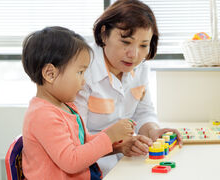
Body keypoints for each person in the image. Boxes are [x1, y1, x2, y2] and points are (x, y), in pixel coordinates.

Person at [74, 0, 182, 176]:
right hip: (92, 166)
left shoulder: (140, 67)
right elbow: (77, 141)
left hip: (127, 161)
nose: (134, 55)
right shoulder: (82, 70)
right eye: (126, 41)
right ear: (104, 34)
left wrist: (153, 132)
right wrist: (118, 146)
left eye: (143, 45)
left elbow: (143, 112)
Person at [21, 26, 135, 180]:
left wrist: (117, 145)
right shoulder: (42, 115)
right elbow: (72, 161)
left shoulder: (66, 107)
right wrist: (109, 136)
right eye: (80, 72)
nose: (84, 81)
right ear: (50, 73)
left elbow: (84, 145)